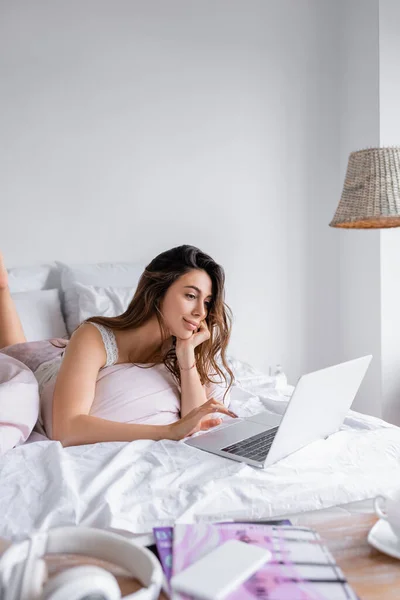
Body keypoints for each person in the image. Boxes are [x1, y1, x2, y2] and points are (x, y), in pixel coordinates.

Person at [0, 246, 237, 447]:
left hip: (73, 355)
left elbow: (194, 423)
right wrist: (167, 431)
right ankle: (2, 289)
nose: (200, 312)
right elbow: (67, 429)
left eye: (206, 302)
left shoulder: (184, 345)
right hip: (49, 366)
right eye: (190, 296)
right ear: (157, 292)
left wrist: (186, 356)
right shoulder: (93, 336)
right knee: (16, 353)